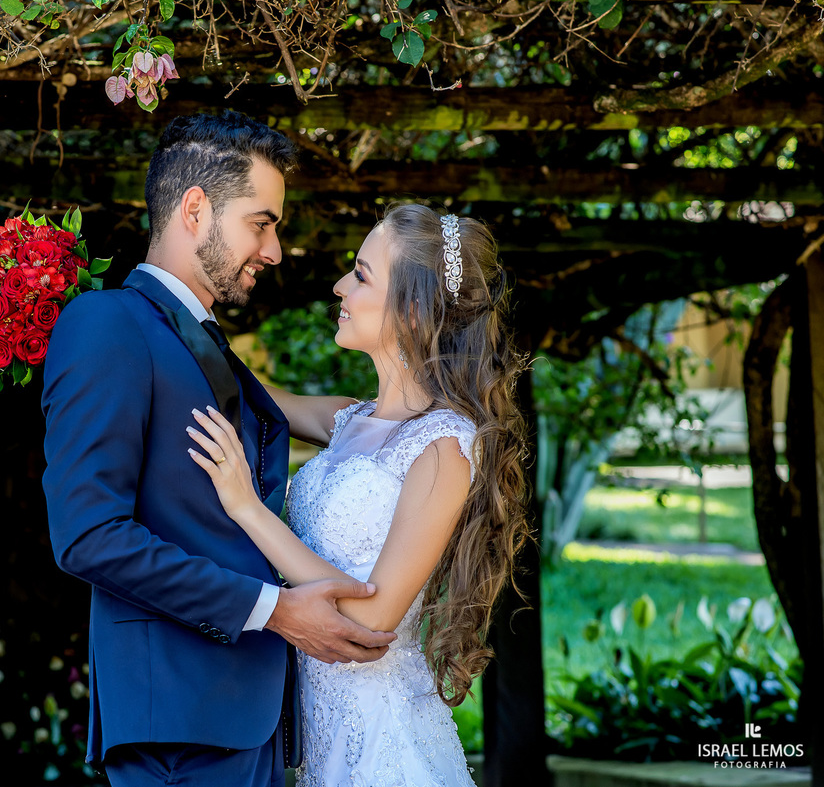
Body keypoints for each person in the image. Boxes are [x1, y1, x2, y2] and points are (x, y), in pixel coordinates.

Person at [41, 111, 397, 787]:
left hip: (246, 718)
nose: (275, 251)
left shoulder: (199, 343)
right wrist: (272, 609)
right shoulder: (108, 324)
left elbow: (304, 416)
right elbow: (87, 535)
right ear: (196, 210)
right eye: (262, 224)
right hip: (179, 725)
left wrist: (439, 420)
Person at [187, 203, 531, 786]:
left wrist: (247, 508)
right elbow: (239, 386)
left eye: (363, 274)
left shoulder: (444, 447)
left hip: (386, 749)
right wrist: (168, 313)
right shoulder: (348, 420)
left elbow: (373, 618)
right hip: (322, 744)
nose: (340, 285)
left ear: (416, 311)